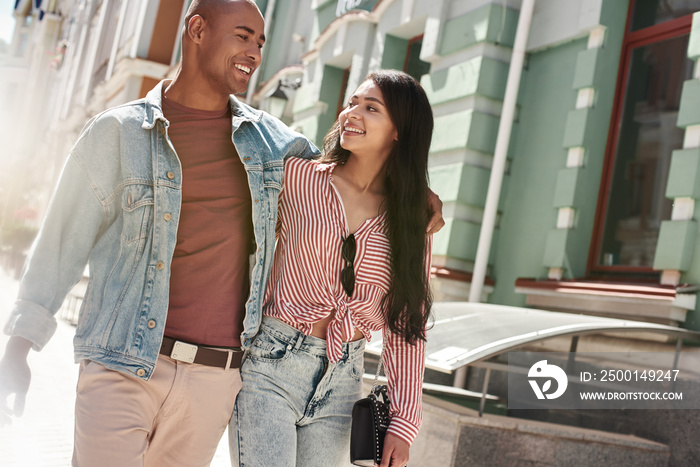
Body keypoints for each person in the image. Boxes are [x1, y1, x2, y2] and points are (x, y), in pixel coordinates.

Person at [0, 2, 444, 465]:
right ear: (197, 29)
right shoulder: (123, 133)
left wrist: (418, 195)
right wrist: (20, 344)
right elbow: (60, 243)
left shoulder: (272, 145)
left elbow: (404, 317)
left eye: (260, 42)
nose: (254, 52)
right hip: (139, 358)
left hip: (240, 376)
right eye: (243, 36)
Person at [231, 70, 434, 467]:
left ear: (400, 131)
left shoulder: (412, 223)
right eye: (352, 102)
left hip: (343, 384)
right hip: (270, 364)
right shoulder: (298, 178)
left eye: (370, 108)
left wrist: (403, 423)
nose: (351, 113)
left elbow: (407, 326)